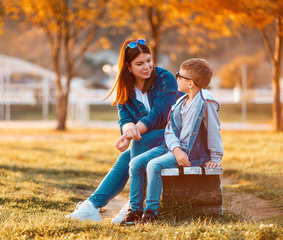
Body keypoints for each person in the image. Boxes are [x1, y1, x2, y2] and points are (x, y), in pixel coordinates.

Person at [65, 39, 179, 223]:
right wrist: (127, 132)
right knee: (126, 157)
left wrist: (133, 133)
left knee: (139, 142)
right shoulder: (125, 88)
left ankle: (133, 206)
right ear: (128, 66)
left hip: (174, 139)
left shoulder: (165, 78)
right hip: (148, 143)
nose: (147, 67)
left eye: (149, 60)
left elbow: (161, 115)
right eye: (139, 64)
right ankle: (92, 206)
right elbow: (125, 119)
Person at [121, 58, 224, 225]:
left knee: (154, 165)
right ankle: (135, 210)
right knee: (135, 163)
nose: (176, 78)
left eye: (179, 76)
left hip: (192, 154)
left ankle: (151, 212)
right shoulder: (180, 103)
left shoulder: (206, 102)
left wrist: (216, 157)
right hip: (173, 149)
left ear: (190, 83)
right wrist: (175, 149)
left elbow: (214, 129)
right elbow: (169, 130)